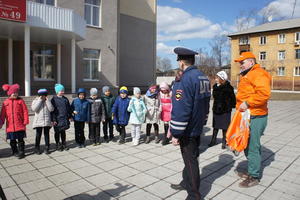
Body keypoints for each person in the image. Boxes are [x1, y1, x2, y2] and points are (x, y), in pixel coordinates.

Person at [170, 47, 210, 200]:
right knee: (191, 158)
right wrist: (203, 121)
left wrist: (176, 133)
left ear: (181, 62)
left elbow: (181, 109)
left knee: (191, 161)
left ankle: (194, 195)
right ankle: (186, 182)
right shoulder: (203, 77)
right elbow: (206, 104)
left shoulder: (184, 79)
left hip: (187, 129)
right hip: (197, 125)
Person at [233, 52, 271, 188]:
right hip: (248, 115)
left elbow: (263, 94)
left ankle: (254, 176)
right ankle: (251, 170)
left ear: (251, 62)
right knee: (246, 143)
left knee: (253, 146)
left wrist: (248, 103)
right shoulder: (248, 74)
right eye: (239, 63)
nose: (240, 65)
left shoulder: (258, 73)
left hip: (256, 115)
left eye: (242, 63)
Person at [0, 84, 29, 159]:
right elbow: (2, 114)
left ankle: (21, 151)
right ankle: (14, 151)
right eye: (14, 93)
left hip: (19, 125)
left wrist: (26, 120)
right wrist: (1, 122)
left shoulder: (20, 101)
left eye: (16, 93)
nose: (15, 94)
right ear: (9, 94)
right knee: (12, 141)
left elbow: (25, 111)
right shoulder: (5, 103)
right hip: (10, 126)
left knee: (20, 140)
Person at [208, 71, 236, 149]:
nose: (215, 79)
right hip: (216, 109)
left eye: (217, 78)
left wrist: (230, 106)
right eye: (216, 77)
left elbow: (233, 99)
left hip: (225, 110)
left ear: (222, 78)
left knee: (225, 127)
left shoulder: (228, 87)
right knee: (215, 126)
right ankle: (213, 140)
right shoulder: (215, 87)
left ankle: (224, 141)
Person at [31, 88, 54, 154]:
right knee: (38, 135)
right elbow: (34, 109)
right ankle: (37, 147)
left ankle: (47, 147)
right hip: (38, 121)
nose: (43, 96)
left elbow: (51, 109)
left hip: (46, 121)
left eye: (44, 95)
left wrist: (47, 101)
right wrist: (39, 100)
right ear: (39, 95)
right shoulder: (35, 100)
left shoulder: (48, 101)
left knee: (46, 134)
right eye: (41, 95)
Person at [51, 84, 72, 151]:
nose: (62, 92)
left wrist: (70, 116)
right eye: (61, 91)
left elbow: (68, 109)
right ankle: (57, 144)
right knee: (57, 132)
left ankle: (64, 143)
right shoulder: (53, 99)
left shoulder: (65, 99)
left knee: (63, 132)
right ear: (57, 91)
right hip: (57, 119)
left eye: (63, 90)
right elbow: (52, 111)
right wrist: (53, 119)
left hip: (64, 118)